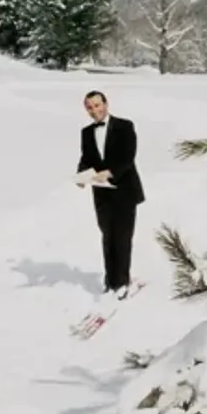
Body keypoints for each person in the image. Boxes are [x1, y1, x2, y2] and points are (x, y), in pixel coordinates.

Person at [76, 90, 145, 298]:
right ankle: (110, 281)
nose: (94, 110)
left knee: (122, 237)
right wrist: (81, 176)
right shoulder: (86, 132)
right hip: (102, 193)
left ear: (106, 104)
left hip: (124, 190)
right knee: (107, 236)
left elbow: (128, 156)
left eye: (97, 105)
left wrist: (110, 172)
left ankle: (122, 283)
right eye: (89, 107)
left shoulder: (125, 126)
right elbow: (87, 158)